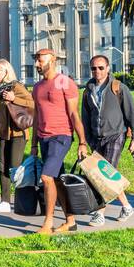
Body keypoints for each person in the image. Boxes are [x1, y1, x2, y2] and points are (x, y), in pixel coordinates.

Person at [31, 48, 89, 235]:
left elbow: (74, 113)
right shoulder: (38, 87)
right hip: (43, 137)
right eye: (36, 60)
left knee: (46, 178)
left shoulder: (65, 81)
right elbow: (37, 116)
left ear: (53, 59)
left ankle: (48, 223)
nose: (37, 64)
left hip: (61, 136)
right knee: (56, 181)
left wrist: (82, 142)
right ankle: (70, 221)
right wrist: (33, 144)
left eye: (40, 60)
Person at [79, 56, 134, 226]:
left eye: (100, 68)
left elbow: (131, 113)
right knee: (108, 175)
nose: (97, 71)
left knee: (104, 174)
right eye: (93, 68)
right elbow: (85, 118)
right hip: (96, 138)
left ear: (107, 68)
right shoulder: (87, 90)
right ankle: (127, 207)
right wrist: (85, 141)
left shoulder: (119, 88)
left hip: (116, 135)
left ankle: (99, 213)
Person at [0, 58, 34, 214]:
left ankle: (25, 202)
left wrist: (15, 98)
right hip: (4, 133)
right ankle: (5, 202)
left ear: (6, 72)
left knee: (15, 169)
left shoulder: (16, 86)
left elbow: (32, 103)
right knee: (2, 167)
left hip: (18, 133)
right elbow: (0, 108)